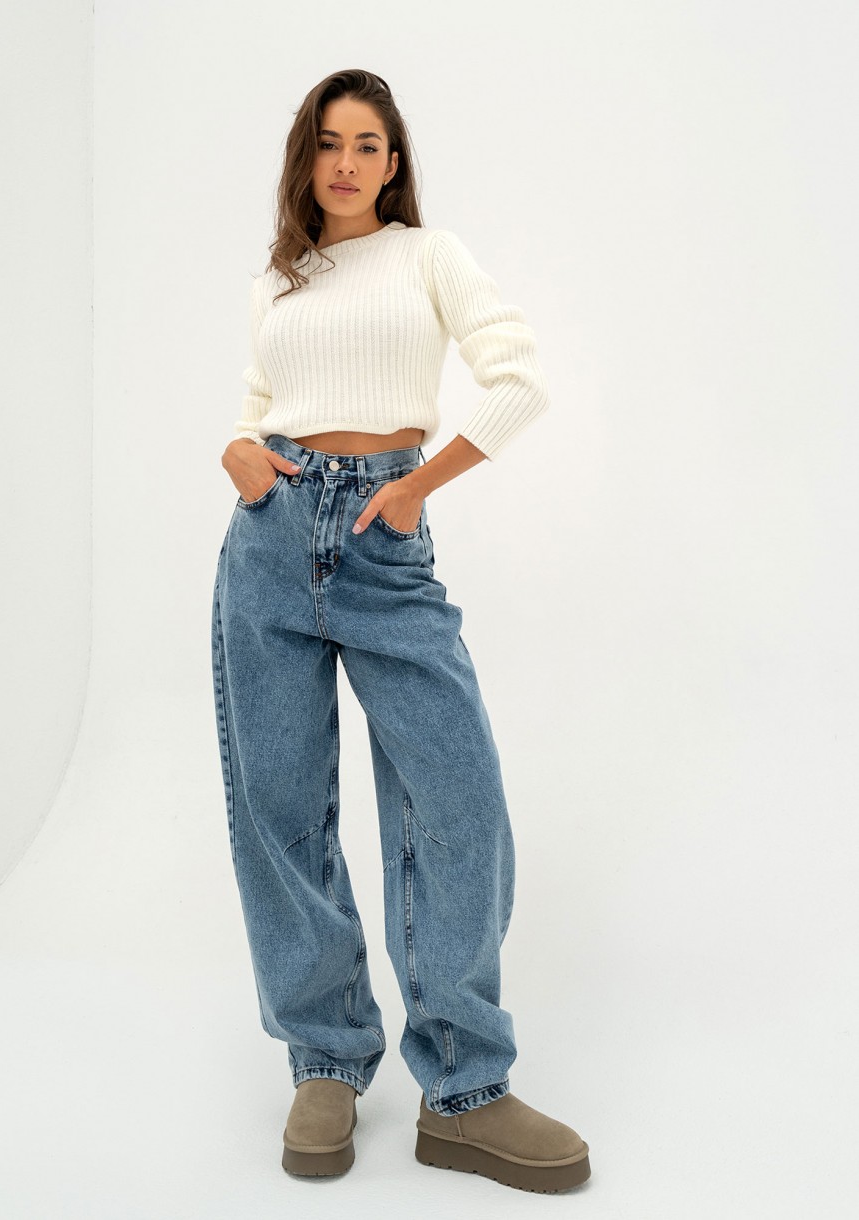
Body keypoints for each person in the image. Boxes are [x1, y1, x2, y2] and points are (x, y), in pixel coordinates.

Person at [211, 68, 592, 1195]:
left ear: (393, 162)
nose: (346, 162)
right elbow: (257, 404)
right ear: (307, 157)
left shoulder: (428, 256)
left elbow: (518, 376)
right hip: (269, 541)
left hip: (384, 537)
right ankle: (325, 1059)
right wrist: (238, 452)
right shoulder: (278, 279)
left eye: (368, 144)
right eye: (329, 142)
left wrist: (419, 484)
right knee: (282, 808)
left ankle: (464, 1087)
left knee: (456, 798)